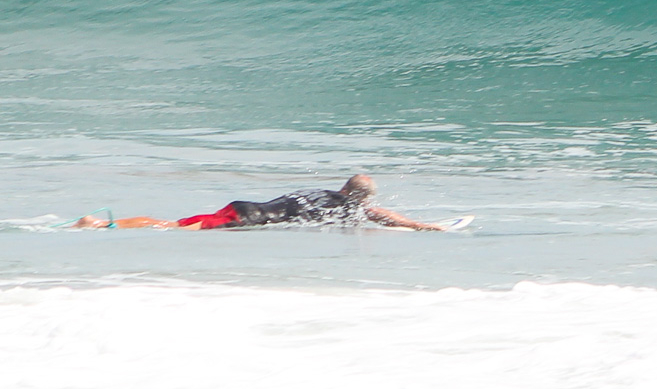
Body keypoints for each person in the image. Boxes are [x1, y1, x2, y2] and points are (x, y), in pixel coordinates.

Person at [72, 174, 448, 231]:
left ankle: (108, 223)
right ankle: (99, 224)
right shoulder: (351, 207)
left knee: (173, 223)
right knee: (170, 228)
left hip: (245, 205)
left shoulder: (320, 191)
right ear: (360, 198)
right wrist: (426, 226)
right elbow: (386, 217)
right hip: (249, 218)